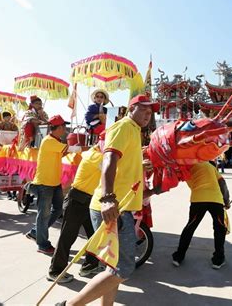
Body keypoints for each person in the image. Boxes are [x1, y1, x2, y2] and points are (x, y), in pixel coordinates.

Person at [62, 95, 160, 306]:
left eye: (151, 113)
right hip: (112, 207)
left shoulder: (134, 131)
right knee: (124, 268)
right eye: (144, 110)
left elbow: (124, 166)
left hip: (120, 206)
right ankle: (70, 305)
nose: (148, 115)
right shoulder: (123, 126)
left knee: (113, 267)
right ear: (132, 108)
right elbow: (109, 159)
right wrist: (108, 198)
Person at [47, 143, 104, 283]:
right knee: (67, 238)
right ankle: (55, 271)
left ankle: (89, 266)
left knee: (94, 236)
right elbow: (115, 168)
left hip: (88, 201)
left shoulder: (95, 153)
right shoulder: (95, 156)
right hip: (77, 201)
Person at [25, 115, 81, 255]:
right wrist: (90, 149)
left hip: (54, 183)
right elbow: (72, 150)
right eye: (64, 127)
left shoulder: (55, 141)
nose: (65, 130)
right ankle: (42, 244)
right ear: (60, 127)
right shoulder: (49, 141)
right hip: (45, 184)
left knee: (57, 210)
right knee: (43, 215)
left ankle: (36, 232)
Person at [172, 162, 231, 269]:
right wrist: (226, 201)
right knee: (219, 229)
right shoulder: (211, 167)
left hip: (198, 199)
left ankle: (178, 257)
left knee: (190, 227)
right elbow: (222, 183)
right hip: (215, 200)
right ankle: (218, 259)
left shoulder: (187, 167)